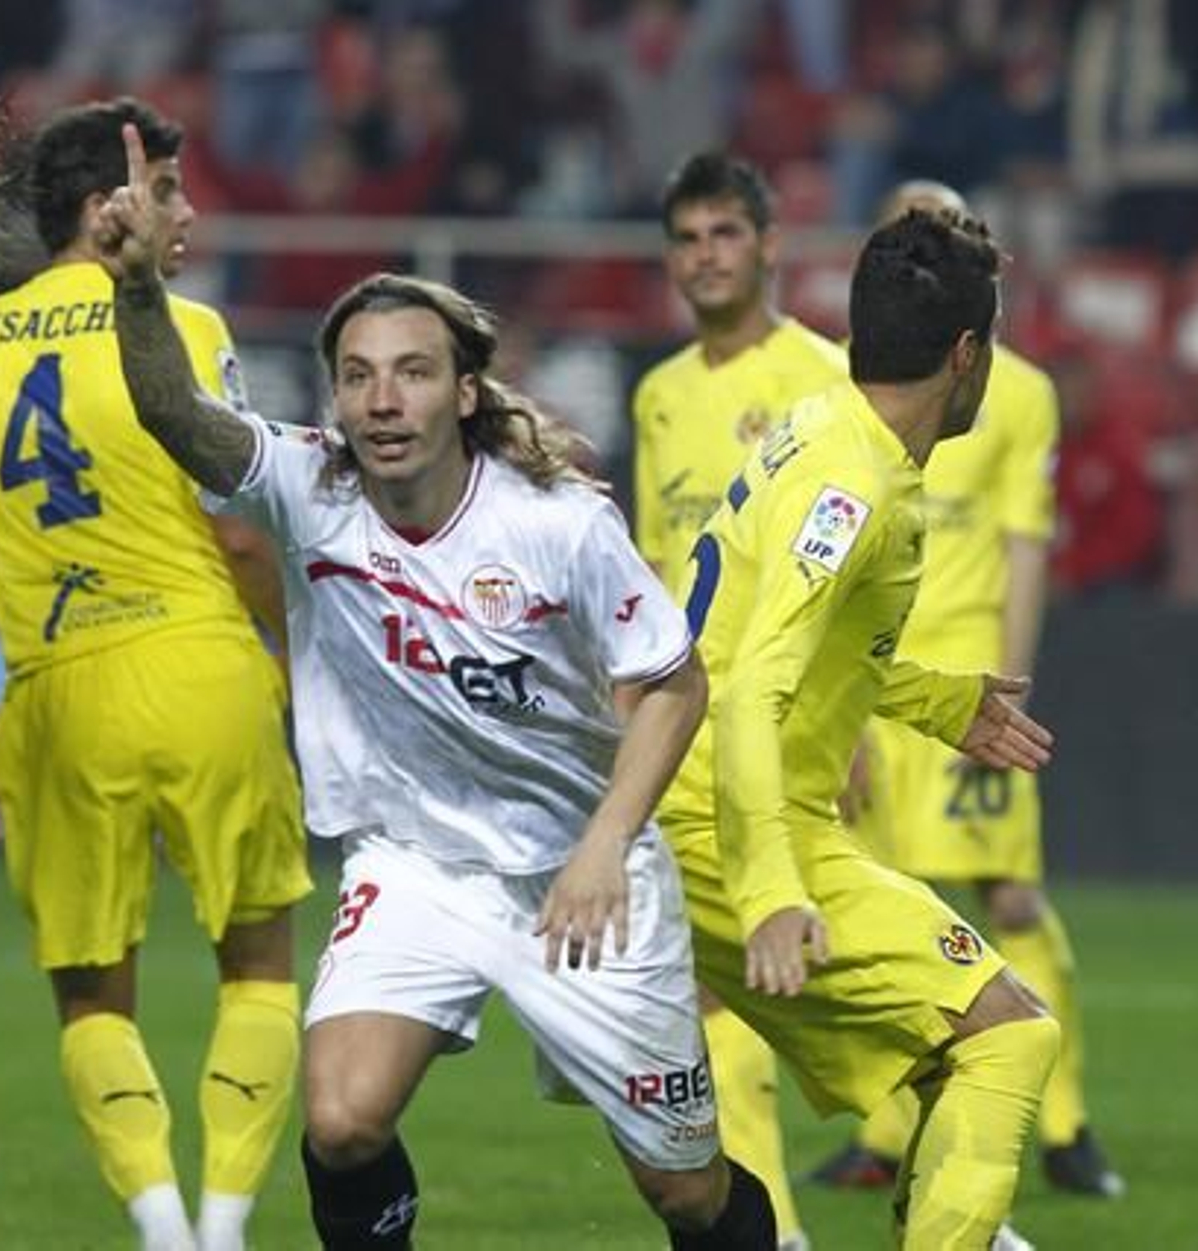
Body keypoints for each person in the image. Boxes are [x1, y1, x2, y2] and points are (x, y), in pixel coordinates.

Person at [101, 123, 779, 1250]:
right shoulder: (308, 488)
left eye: (412, 373)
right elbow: (178, 415)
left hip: (580, 873)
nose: (381, 400)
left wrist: (607, 844)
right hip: (415, 864)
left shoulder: (558, 525)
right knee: (342, 1118)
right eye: (357, 377)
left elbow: (671, 683)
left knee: (684, 1192)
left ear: (464, 393)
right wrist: (135, 292)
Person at [660, 205, 1063, 1249]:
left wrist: (936, 701)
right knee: (1011, 1037)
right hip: (731, 823)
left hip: (700, 805)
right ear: (967, 356)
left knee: (952, 1056)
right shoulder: (854, 486)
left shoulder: (819, 423)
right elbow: (752, 686)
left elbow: (778, 636)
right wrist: (771, 894)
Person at [0, 99, 312, 1251]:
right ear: (107, 204)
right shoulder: (184, 326)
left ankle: (160, 1230)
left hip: (55, 689)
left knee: (89, 993)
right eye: (166, 188)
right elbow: (241, 529)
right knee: (259, 964)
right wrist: (296, 656)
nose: (187, 211)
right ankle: (223, 1228)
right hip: (197, 661)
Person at [806, 181, 1126, 1200]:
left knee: (1012, 891)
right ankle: (892, 1132)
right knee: (880, 898)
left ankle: (1067, 1124)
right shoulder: (843, 385)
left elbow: (1025, 545)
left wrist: (1011, 683)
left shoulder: (1016, 390)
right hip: (874, 682)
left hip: (964, 675)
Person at [635, 151, 848, 1251]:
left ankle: (952, 1182)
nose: (704, 255)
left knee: (817, 977)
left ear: (770, 245)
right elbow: (648, 568)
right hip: (676, 726)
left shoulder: (825, 380)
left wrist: (843, 719)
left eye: (724, 233)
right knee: (717, 988)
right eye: (686, 237)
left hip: (785, 723)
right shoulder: (658, 395)